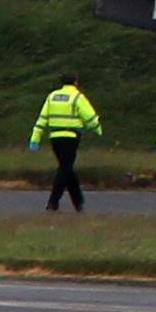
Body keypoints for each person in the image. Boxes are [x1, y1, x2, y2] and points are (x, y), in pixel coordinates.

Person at [29, 73, 101, 213]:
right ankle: (53, 202)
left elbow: (42, 118)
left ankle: (78, 201)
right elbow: (90, 117)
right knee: (65, 168)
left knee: (66, 167)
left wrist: (35, 138)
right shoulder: (77, 97)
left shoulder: (52, 97)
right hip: (71, 137)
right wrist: (97, 129)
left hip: (55, 137)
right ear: (75, 82)